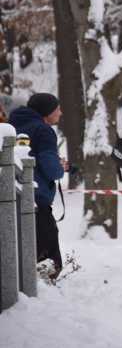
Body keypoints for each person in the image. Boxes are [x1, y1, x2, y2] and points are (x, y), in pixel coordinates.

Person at [9, 93, 68, 279]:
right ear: (47, 111)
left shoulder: (12, 127)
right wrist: (60, 168)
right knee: (49, 259)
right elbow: (51, 169)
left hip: (11, 195)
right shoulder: (43, 130)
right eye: (57, 108)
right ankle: (41, 293)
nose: (60, 112)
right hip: (37, 200)